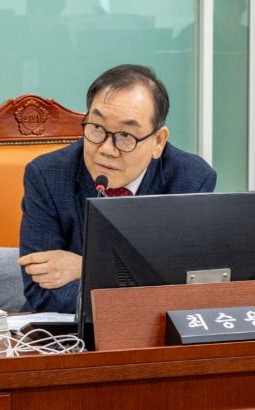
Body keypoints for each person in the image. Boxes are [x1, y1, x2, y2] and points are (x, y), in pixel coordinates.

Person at [18, 64, 217, 313]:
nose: (106, 150)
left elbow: (185, 286)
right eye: (97, 128)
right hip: (63, 330)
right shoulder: (48, 175)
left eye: (125, 136)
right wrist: (138, 290)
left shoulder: (190, 179)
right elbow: (42, 290)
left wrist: (88, 268)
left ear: (158, 142)